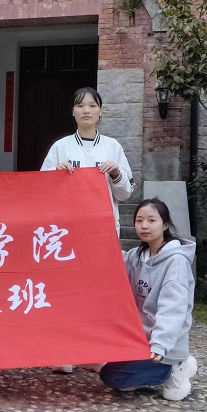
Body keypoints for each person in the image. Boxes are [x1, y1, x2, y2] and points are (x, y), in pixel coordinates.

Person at [41, 87, 134, 374]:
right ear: (73, 111)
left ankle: (95, 353)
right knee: (66, 290)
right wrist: (56, 175)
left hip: (102, 232)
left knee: (98, 293)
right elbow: (40, 189)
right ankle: (66, 352)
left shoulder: (113, 147)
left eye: (92, 105)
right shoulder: (61, 147)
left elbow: (126, 193)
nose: (86, 110)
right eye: (80, 105)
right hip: (68, 232)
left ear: (100, 111)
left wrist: (116, 173)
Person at [100, 198, 197, 401]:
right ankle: (143, 372)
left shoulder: (176, 262)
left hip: (165, 347)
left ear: (165, 225)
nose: (144, 226)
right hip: (140, 340)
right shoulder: (136, 256)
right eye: (139, 220)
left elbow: (173, 308)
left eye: (152, 220)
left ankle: (177, 367)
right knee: (111, 374)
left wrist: (160, 345)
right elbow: (112, 262)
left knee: (113, 376)